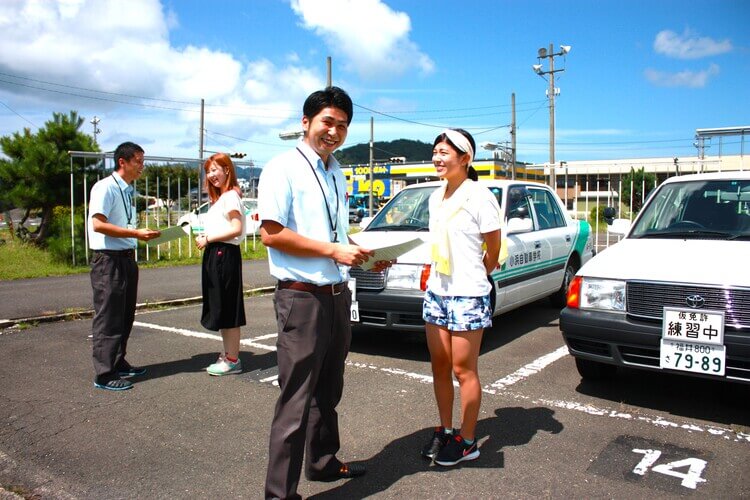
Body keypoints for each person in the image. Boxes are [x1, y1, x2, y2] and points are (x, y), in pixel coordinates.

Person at [258, 86, 389, 500]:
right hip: (301, 297)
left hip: (336, 294)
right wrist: (335, 249)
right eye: (327, 122)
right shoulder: (282, 167)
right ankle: (279, 494)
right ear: (306, 122)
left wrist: (362, 256)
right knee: (295, 399)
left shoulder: (337, 171)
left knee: (329, 389)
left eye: (342, 125)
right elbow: (271, 233)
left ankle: (323, 463)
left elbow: (333, 234)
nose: (334, 131)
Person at [420, 129, 501, 466]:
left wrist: (478, 274)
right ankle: (445, 429)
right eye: (435, 152)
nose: (438, 158)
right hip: (437, 292)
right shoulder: (435, 196)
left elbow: (493, 248)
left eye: (445, 152)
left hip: (468, 294)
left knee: (463, 370)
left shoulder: (480, 196)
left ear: (465, 158)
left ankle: (468, 441)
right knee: (439, 366)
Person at [88, 141, 160, 391]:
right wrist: (136, 233)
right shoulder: (105, 187)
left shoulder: (127, 190)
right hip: (108, 260)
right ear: (123, 162)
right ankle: (104, 373)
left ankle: (118, 361)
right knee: (108, 316)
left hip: (126, 258)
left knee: (125, 314)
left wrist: (137, 235)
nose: (142, 166)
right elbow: (98, 224)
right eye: (138, 161)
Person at [195, 152, 247, 376]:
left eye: (215, 169)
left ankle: (233, 359)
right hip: (217, 253)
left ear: (227, 169)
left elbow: (236, 228)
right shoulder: (222, 198)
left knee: (227, 307)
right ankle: (229, 355)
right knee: (222, 306)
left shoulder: (230, 197)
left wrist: (209, 239)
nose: (211, 174)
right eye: (209, 171)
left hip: (223, 254)